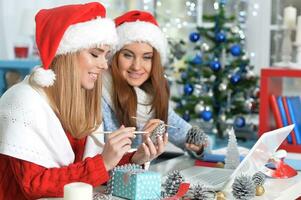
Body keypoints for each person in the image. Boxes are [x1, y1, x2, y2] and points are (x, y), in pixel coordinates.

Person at [0, 3, 167, 199]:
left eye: (106, 56)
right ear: (67, 55)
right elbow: (34, 185)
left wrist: (134, 157)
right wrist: (103, 162)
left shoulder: (82, 101)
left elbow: (85, 172)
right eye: (95, 54)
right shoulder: (23, 101)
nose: (104, 65)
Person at [102, 10, 207, 157]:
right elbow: (96, 162)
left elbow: (198, 142)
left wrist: (200, 147)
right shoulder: (99, 95)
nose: (137, 66)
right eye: (127, 55)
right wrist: (140, 154)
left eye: (147, 57)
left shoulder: (150, 97)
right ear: (113, 56)